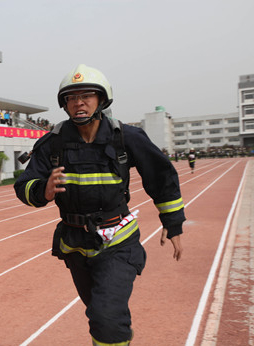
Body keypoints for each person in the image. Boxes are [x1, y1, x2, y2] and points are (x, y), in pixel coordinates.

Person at [14, 64, 185, 346]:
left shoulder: (125, 137)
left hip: (118, 241)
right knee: (99, 315)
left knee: (105, 318)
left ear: (101, 100)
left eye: (86, 96)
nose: (78, 103)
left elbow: (161, 176)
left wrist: (174, 222)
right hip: (75, 244)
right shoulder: (52, 144)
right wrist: (42, 191)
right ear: (64, 104)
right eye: (71, 97)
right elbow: (24, 186)